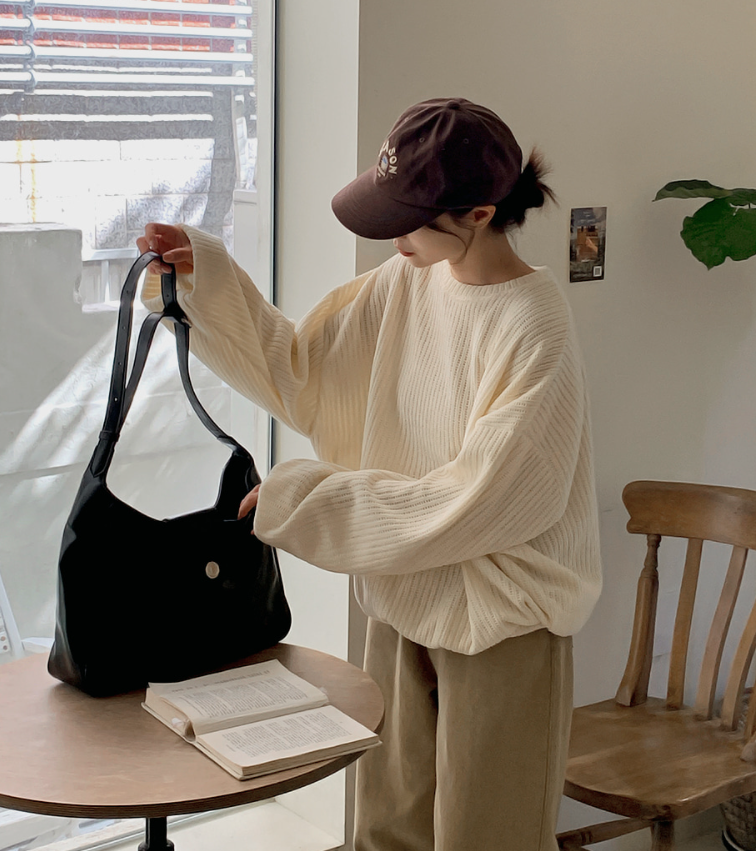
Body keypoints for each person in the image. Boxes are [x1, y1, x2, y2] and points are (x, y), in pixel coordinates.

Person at [137, 97, 602, 851]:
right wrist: (206, 277)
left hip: (503, 623)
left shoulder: (533, 323)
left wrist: (306, 498)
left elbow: (480, 500)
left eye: (408, 219)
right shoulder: (406, 280)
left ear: (480, 214)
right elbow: (303, 369)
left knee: (489, 838)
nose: (392, 237)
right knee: (385, 833)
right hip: (402, 598)